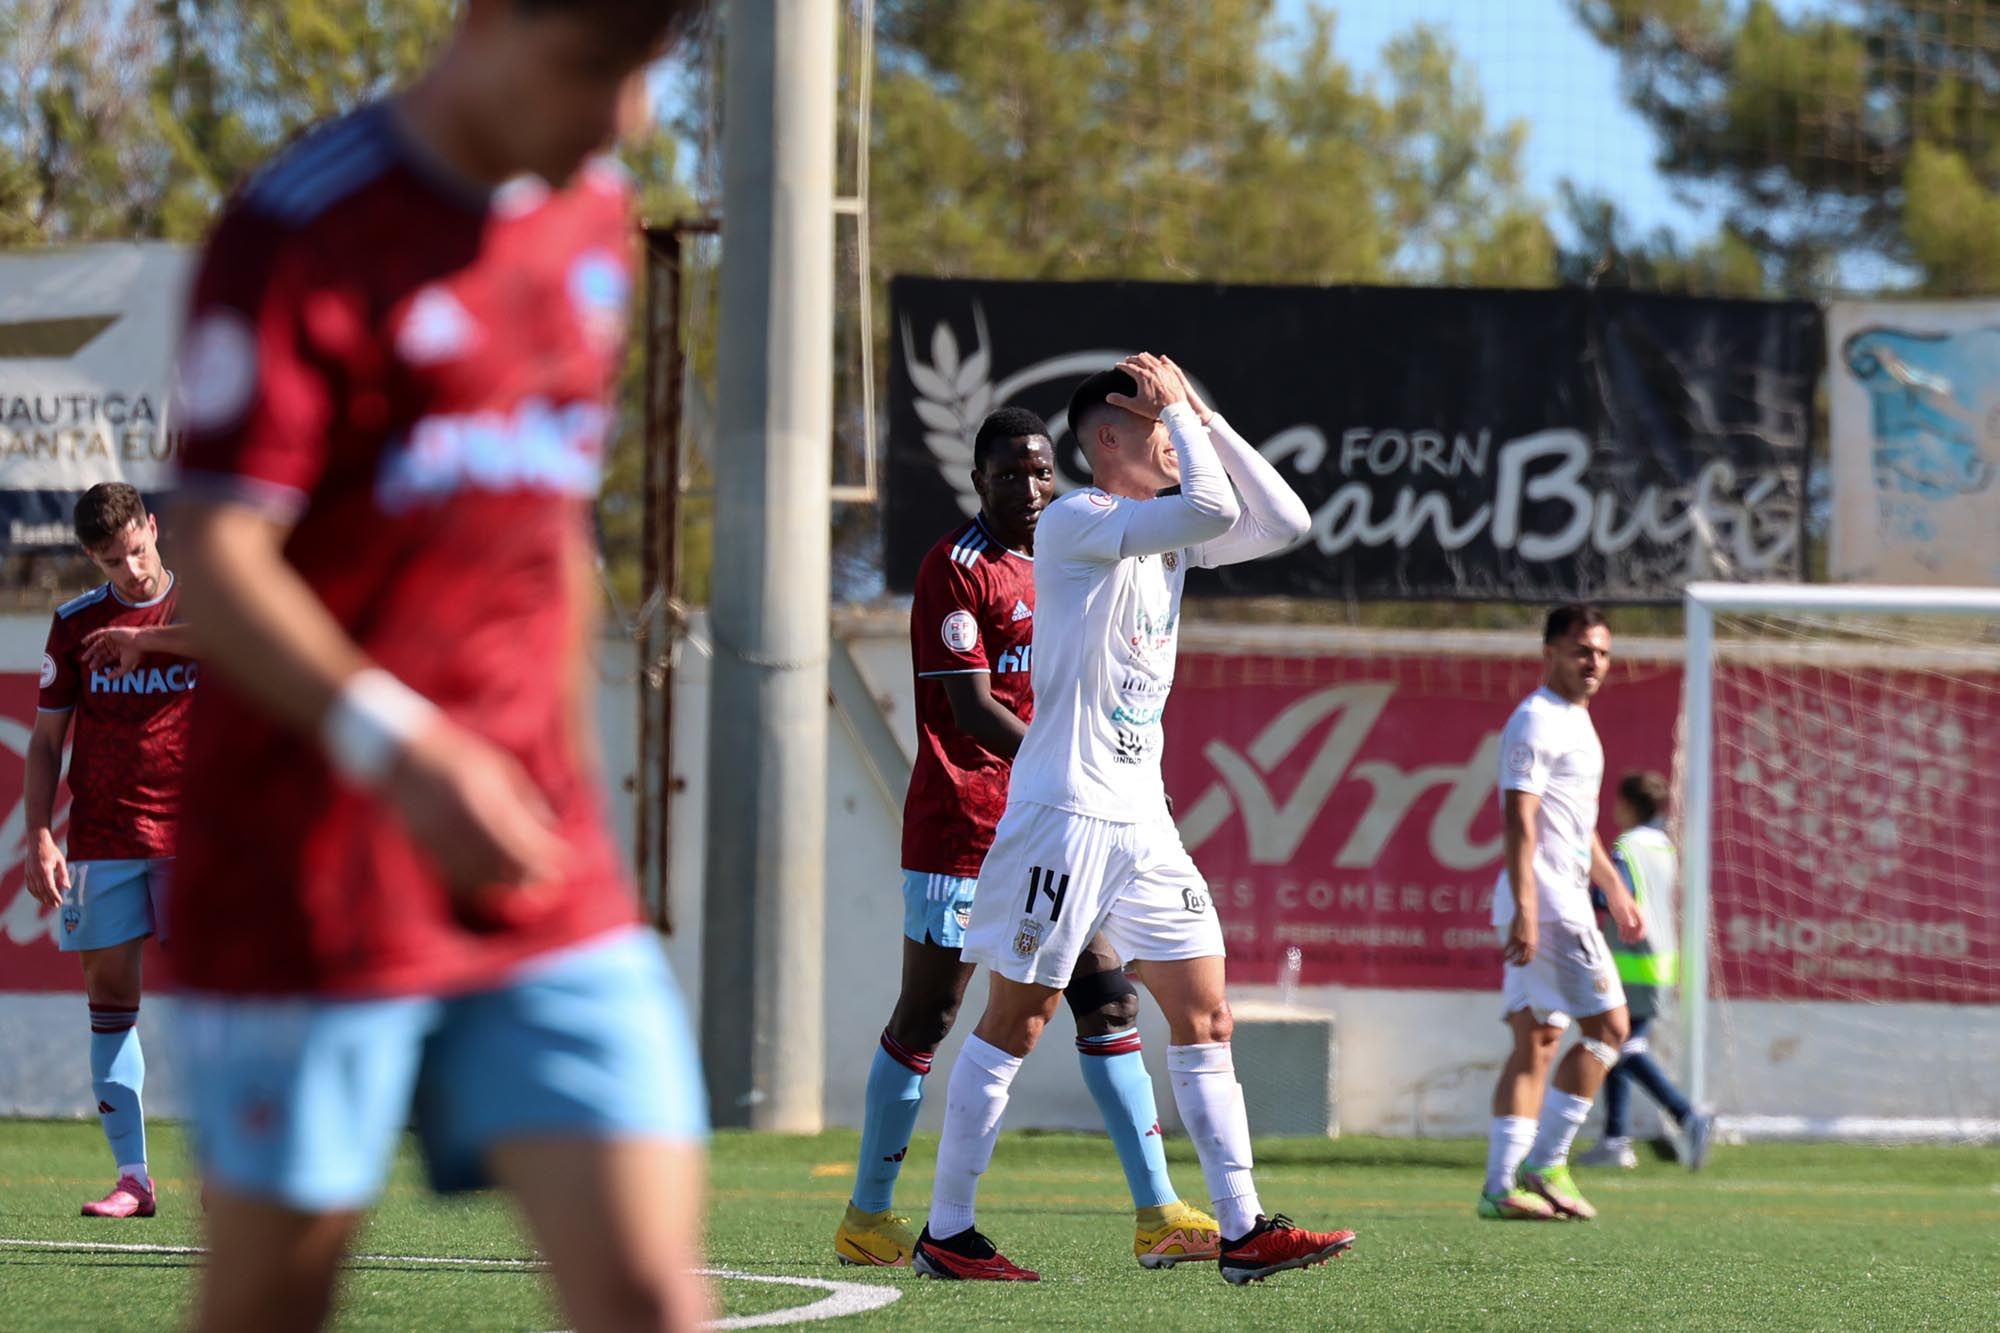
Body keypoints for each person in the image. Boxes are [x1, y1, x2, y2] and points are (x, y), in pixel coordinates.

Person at [165, 2, 709, 1329]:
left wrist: (572, 791)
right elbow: (220, 555)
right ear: (484, 22)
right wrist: (402, 750)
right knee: (271, 1309)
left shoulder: (592, 224)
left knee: (652, 1296)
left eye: (651, 70)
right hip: (310, 874)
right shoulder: (301, 230)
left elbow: (550, 542)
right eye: (597, 64)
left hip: (537, 869)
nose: (626, 113)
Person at [914, 354, 1356, 1286]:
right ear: (1109, 440)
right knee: (1016, 1022)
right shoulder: (1078, 520)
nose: (1174, 440)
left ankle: (1241, 1228)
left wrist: (1197, 407)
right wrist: (1182, 424)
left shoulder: (1167, 535)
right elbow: (1209, 506)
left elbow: (1283, 520)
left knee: (1207, 1013)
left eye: (1175, 430)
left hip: (1143, 821)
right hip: (1063, 816)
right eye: (1156, 428)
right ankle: (948, 1228)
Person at [836, 407, 1220, 1272]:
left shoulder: (1074, 552)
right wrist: (1073, 758)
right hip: (966, 826)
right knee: (930, 1013)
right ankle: (869, 1213)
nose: (1032, 487)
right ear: (978, 482)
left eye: (1043, 470)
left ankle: (1159, 1210)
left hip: (1061, 826)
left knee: (1109, 998)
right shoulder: (956, 567)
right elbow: (970, 707)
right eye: (1010, 473)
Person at [24, 483, 197, 1220]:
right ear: (92, 557)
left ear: (153, 528)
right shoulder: (74, 626)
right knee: (111, 1005)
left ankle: (245, 1174)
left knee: (231, 1006)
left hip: (201, 837)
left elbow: (241, 637)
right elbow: (43, 742)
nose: (131, 568)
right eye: (112, 559)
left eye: (137, 548)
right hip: (103, 838)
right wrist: (37, 832)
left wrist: (147, 639)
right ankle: (134, 1177)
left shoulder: (204, 602)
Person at [1479, 605, 1647, 1223]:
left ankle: (1500, 1188)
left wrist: (1616, 886)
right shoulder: (1536, 720)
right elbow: (1518, 817)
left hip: (1555, 896)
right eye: (1581, 650)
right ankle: (1546, 1160)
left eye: (1602, 652)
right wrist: (1526, 906)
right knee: (1610, 1028)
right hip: (1549, 904)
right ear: (1549, 651)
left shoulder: (1577, 720)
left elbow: (1575, 825)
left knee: (1538, 1040)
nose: (1593, 662)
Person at [1575, 771, 1715, 1171]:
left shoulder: (1627, 847)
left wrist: (1587, 889)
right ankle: (1615, 1140)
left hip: (1627, 958)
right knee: (1615, 1047)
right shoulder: (1664, 847)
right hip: (1660, 958)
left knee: (1620, 1045)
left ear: (1628, 805)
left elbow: (1613, 894)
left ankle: (1687, 1115)